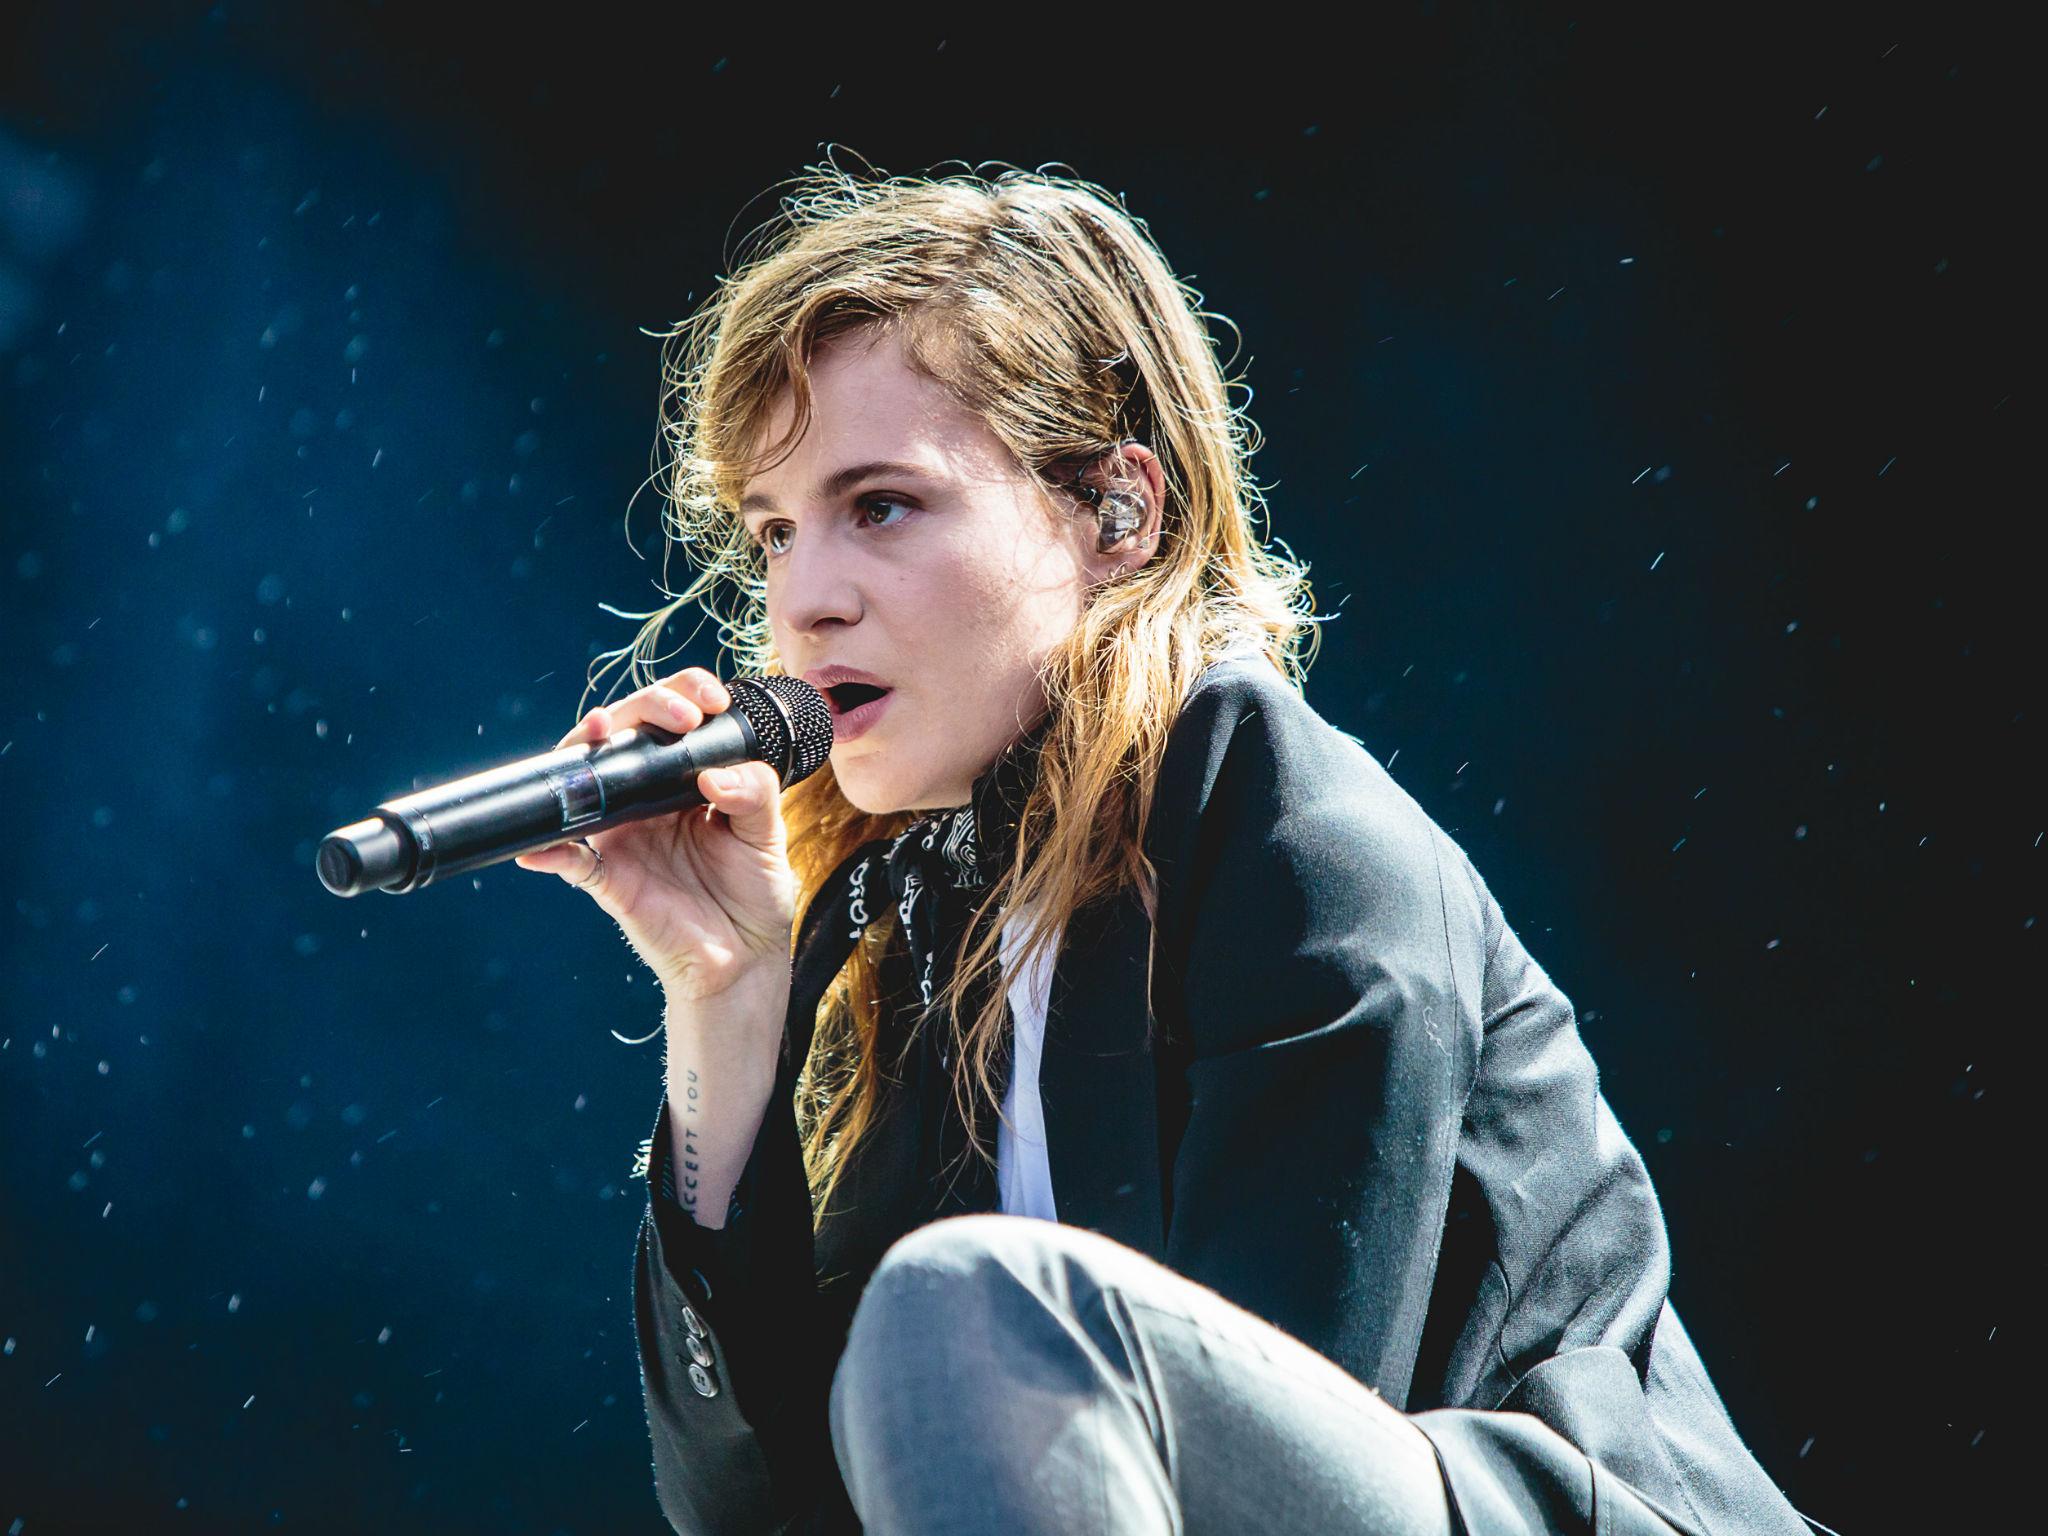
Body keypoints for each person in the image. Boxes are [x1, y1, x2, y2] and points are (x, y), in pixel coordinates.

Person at [516, 161, 1818, 1536]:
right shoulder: (933, 908)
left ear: (1118, 516)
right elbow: (758, 1508)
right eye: (774, 533)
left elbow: (1259, 1447)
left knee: (972, 1307)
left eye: (880, 505)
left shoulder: (1279, 820)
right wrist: (726, 999)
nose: (804, 600)